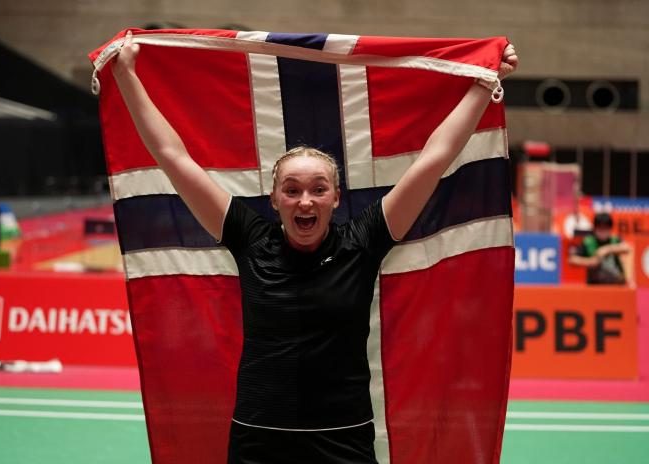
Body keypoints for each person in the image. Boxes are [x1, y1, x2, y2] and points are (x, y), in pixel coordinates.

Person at [111, 30, 518, 464]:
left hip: (343, 437)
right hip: (259, 436)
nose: (305, 200)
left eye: (318, 189)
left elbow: (435, 158)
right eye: (292, 190)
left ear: (336, 198)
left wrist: (482, 82)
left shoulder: (362, 242)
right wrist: (126, 73)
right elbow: (174, 157)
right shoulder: (251, 240)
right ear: (274, 199)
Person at [569, 212, 631, 285]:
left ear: (610, 228)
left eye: (605, 228)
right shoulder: (588, 242)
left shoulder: (615, 240)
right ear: (594, 228)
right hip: (595, 285)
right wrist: (590, 261)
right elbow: (572, 259)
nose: (602, 231)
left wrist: (606, 249)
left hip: (616, 284)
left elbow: (627, 248)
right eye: (600, 227)